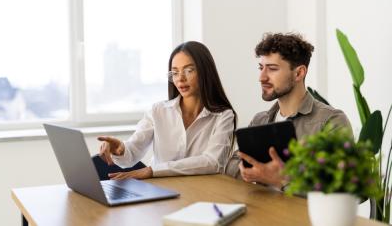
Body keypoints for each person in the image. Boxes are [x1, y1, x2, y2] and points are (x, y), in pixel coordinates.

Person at [225, 32, 352, 190]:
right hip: (262, 209)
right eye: (261, 68)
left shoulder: (331, 121)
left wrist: (283, 180)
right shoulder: (260, 120)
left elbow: (343, 187)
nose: (261, 77)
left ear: (299, 73)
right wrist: (250, 171)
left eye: (272, 69)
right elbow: (231, 165)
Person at [94, 41, 237, 180]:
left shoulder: (223, 116)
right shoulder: (158, 111)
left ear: (205, 72)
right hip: (162, 191)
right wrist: (120, 149)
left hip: (202, 193)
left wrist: (153, 170)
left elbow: (212, 162)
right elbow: (132, 154)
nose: (180, 79)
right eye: (175, 72)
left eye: (189, 70)